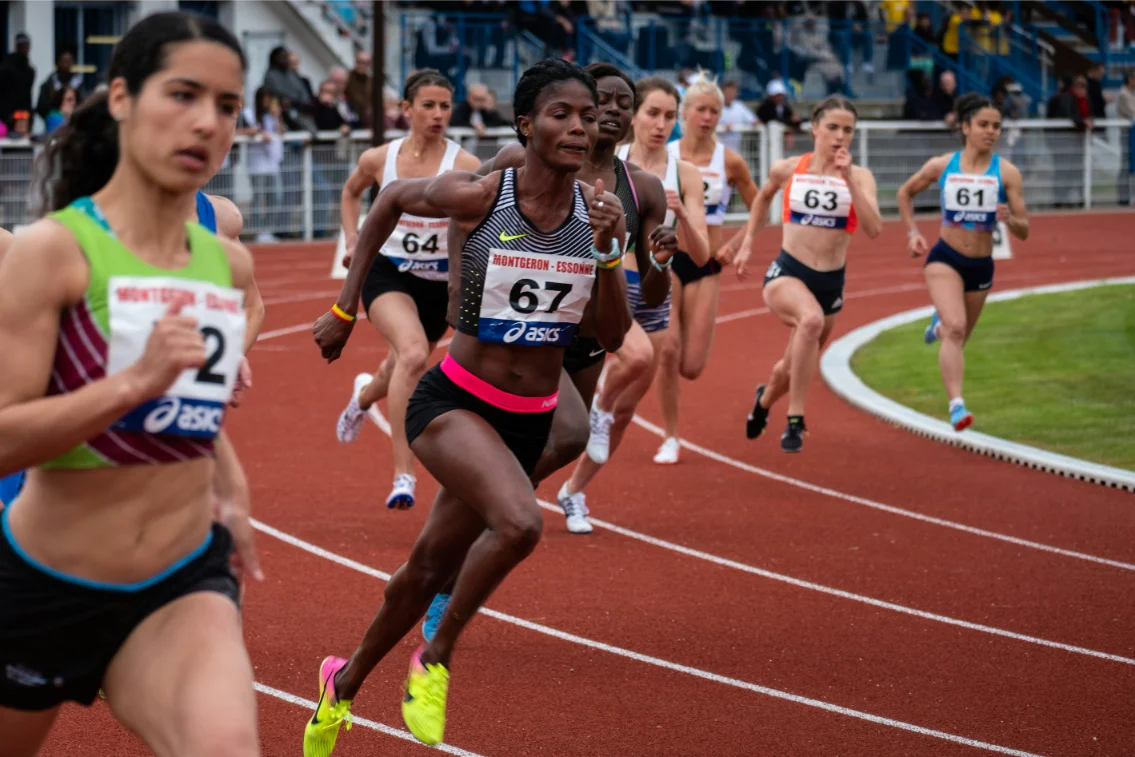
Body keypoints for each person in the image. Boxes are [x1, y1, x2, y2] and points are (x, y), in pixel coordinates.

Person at [306, 58, 630, 753]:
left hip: (529, 414)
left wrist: (609, 257)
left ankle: (342, 682)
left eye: (585, 115)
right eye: (560, 114)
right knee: (518, 524)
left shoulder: (597, 215)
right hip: (452, 400)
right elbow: (388, 202)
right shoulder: (484, 196)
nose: (579, 125)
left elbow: (610, 334)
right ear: (525, 125)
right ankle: (437, 656)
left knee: (421, 571)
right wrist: (343, 305)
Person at [0, 11, 262, 757]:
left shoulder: (225, 264)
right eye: (182, 95)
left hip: (180, 581)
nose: (206, 122)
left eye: (226, 106)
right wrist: (133, 382)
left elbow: (192, 411)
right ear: (121, 98)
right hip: (44, 583)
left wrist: (232, 491)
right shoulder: (54, 254)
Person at [474, 62, 678, 535]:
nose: (612, 110)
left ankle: (494, 503)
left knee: (563, 439)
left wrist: (663, 260)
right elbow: (464, 206)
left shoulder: (642, 189)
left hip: (586, 339)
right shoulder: (523, 158)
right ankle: (490, 507)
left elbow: (650, 292)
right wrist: (462, 281)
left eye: (623, 104)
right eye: (601, 100)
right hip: (523, 325)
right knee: (558, 431)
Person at [555, 74, 708, 526]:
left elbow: (702, 255)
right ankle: (594, 409)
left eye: (669, 116)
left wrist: (679, 214)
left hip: (657, 291)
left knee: (624, 413)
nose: (660, 124)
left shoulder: (686, 174)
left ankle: (573, 491)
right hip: (614, 283)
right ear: (633, 115)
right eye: (652, 113)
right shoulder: (607, 159)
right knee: (634, 359)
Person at [333, 69, 479, 510]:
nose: (438, 115)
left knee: (398, 365)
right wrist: (354, 239)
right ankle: (403, 474)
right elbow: (350, 192)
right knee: (414, 353)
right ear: (407, 110)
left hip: (438, 285)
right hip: (389, 273)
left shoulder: (465, 165)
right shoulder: (381, 158)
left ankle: (362, 397)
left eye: (445, 106)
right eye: (429, 106)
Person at [735, 95, 883, 452]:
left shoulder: (860, 177)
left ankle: (764, 402)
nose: (840, 137)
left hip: (830, 282)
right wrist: (747, 242)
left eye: (848, 130)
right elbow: (762, 196)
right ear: (815, 128)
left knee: (788, 368)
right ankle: (796, 421)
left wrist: (847, 179)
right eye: (832, 127)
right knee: (811, 321)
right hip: (787, 272)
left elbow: (874, 228)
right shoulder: (789, 168)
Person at [896, 93, 1028, 430]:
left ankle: (935, 327)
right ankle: (957, 405)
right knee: (956, 329)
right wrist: (912, 232)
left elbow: (1024, 230)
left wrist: (1009, 220)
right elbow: (905, 192)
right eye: (983, 124)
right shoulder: (943, 166)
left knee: (957, 336)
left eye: (996, 126)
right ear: (966, 127)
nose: (991, 131)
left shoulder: (1007, 173)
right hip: (945, 258)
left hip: (981, 267)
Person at [651, 71, 759, 465]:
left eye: (715, 110)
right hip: (667, 258)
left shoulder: (728, 160)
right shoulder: (667, 154)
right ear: (684, 112)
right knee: (668, 351)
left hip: (708, 262)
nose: (708, 117)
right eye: (700, 109)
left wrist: (737, 243)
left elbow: (760, 206)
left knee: (692, 366)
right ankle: (670, 436)